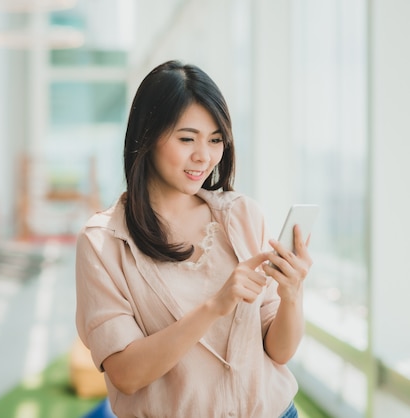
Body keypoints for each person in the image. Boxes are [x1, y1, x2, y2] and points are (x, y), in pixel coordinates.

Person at [75, 60, 312, 418]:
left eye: (215, 140)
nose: (204, 156)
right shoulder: (103, 242)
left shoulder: (243, 214)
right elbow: (126, 374)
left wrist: (292, 295)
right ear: (148, 136)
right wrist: (215, 306)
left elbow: (279, 352)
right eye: (187, 138)